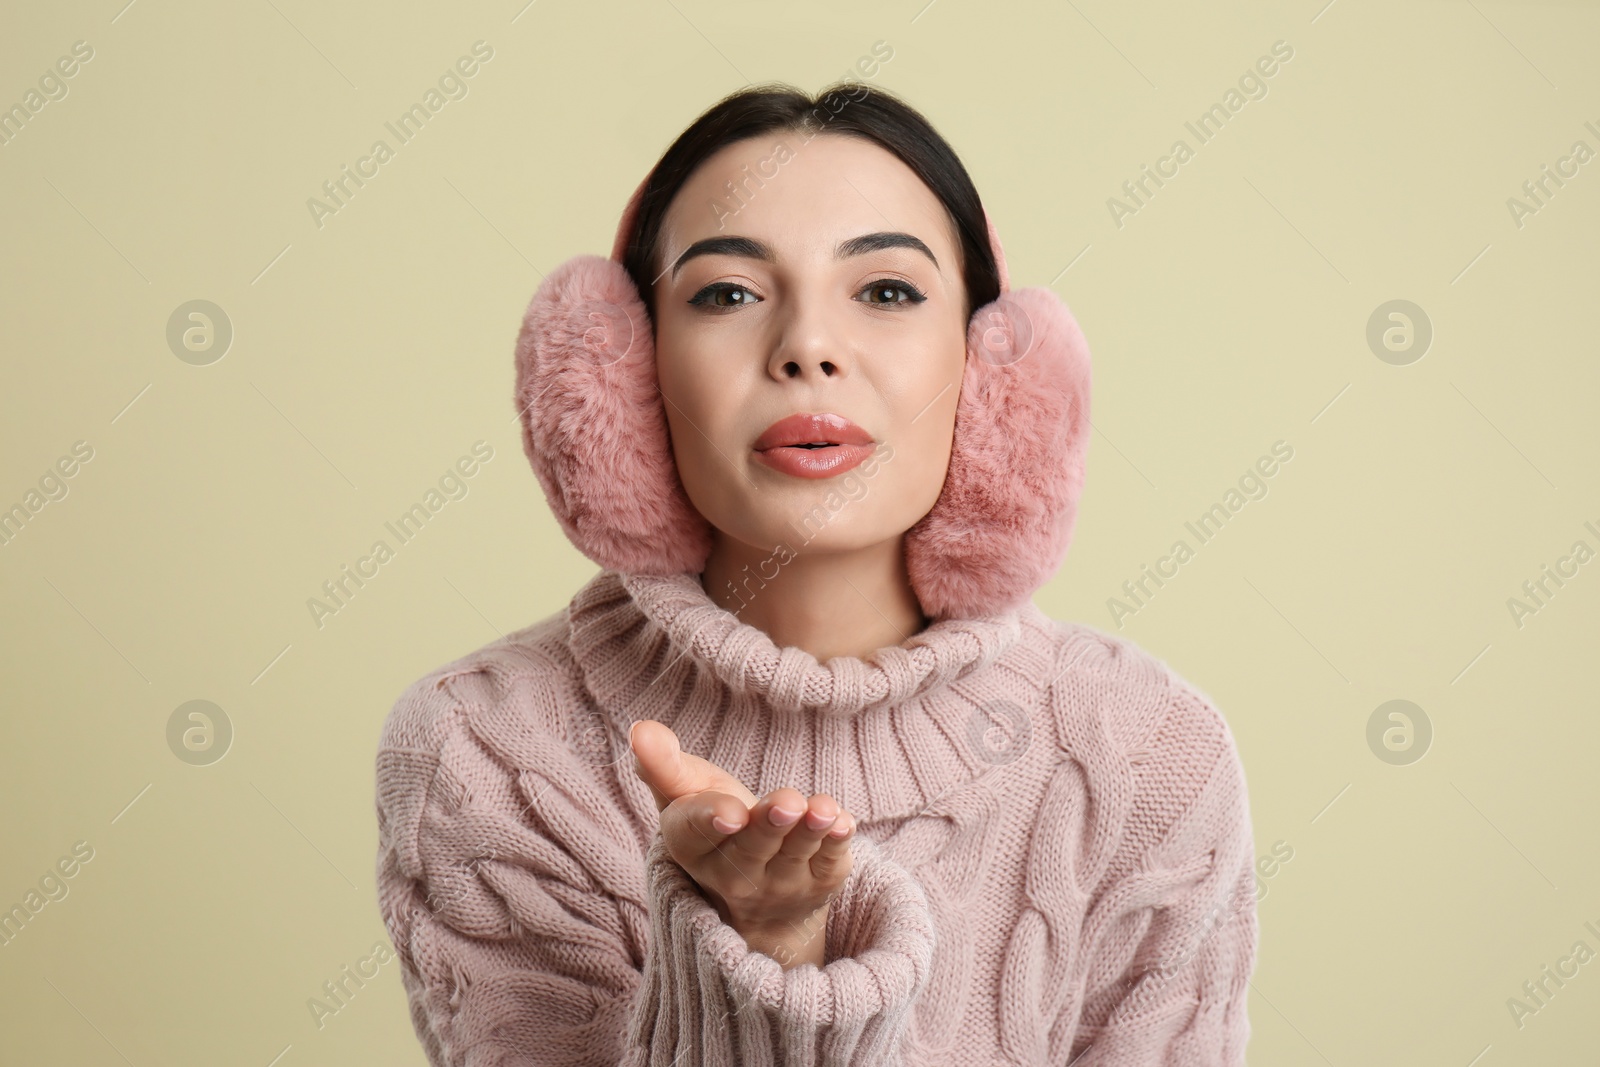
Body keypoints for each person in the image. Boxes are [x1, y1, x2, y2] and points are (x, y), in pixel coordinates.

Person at [373, 81, 1258, 1066]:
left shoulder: (1149, 756)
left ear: (997, 372)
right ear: (623, 376)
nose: (806, 349)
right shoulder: (480, 753)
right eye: (727, 294)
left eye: (885, 290)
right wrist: (768, 954)